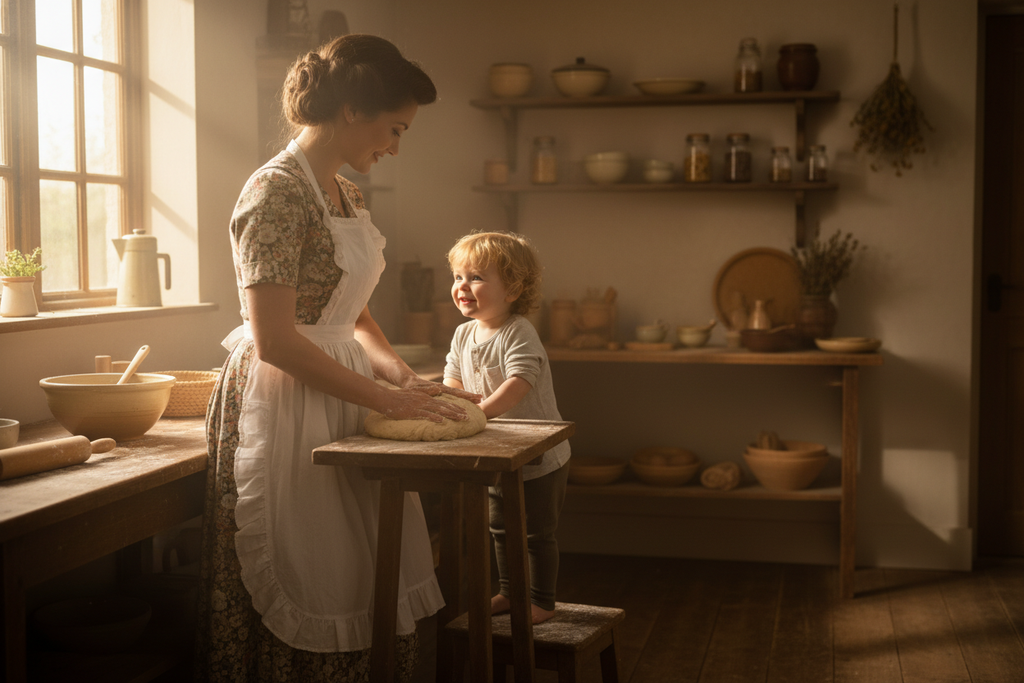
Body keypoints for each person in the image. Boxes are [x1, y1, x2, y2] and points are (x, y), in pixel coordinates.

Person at [195, 34, 477, 682]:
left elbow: (354, 313)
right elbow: (276, 338)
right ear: (352, 108)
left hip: (344, 395)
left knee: (361, 565)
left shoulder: (344, 196)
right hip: (285, 399)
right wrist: (385, 398)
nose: (396, 146)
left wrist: (404, 376)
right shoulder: (273, 193)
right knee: (308, 566)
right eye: (395, 128)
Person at [442, 232, 571, 624]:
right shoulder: (464, 333)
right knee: (500, 527)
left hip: (539, 453)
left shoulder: (518, 332)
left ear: (512, 288)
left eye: (476, 277)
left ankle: (541, 601)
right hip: (498, 451)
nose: (463, 286)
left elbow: (519, 382)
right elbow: (452, 378)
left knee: (535, 533)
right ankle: (509, 592)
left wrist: (479, 412)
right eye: (458, 276)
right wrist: (457, 402)